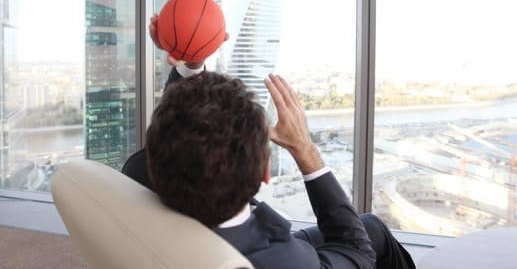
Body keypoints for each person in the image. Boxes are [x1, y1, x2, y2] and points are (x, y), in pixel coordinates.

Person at [145, 71, 416, 269]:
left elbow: (178, 126)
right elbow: (356, 251)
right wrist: (305, 149)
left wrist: (189, 64)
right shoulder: (289, 263)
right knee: (367, 234)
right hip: (256, 246)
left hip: (232, 238)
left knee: (372, 226)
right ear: (266, 172)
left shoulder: (138, 178)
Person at [121, 13, 229, 188]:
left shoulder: (138, 173)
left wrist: (192, 64)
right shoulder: (253, 210)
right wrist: (292, 146)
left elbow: (173, 129)